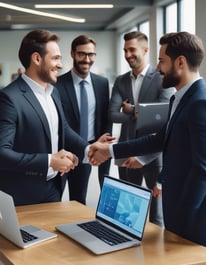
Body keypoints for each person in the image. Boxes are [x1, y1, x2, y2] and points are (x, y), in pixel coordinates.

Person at [89, 31, 206, 247]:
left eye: (162, 61)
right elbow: (158, 139)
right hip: (177, 214)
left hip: (191, 221)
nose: (159, 68)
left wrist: (183, 217)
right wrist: (110, 150)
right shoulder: (178, 98)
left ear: (180, 62)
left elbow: (202, 169)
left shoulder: (200, 102)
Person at [0, 29, 89, 206]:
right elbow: (2, 153)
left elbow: (62, 129)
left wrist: (89, 150)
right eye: (55, 58)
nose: (61, 65)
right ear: (37, 59)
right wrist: (50, 160)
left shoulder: (53, 92)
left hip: (54, 189)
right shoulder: (9, 98)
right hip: (23, 196)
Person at [108, 31, 174, 226]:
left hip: (154, 155)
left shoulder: (161, 78)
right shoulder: (121, 81)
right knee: (126, 212)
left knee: (157, 215)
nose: (128, 54)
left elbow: (163, 115)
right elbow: (112, 114)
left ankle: (156, 255)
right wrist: (139, 113)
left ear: (145, 50)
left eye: (132, 49)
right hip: (127, 149)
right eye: (125, 50)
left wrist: (131, 109)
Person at [56, 35, 112, 205]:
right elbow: (59, 122)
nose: (87, 60)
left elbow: (105, 116)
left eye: (91, 55)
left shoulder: (102, 83)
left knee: (78, 200)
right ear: (72, 53)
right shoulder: (57, 84)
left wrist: (103, 143)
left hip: (90, 148)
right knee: (53, 199)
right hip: (63, 151)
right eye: (82, 54)